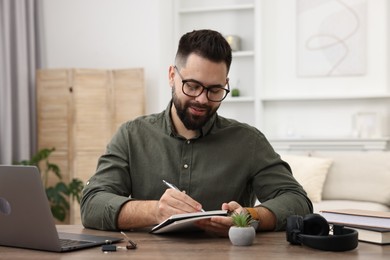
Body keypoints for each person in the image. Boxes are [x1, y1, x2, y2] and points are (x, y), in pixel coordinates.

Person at [80, 29, 312, 235]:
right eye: (192, 86)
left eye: (215, 90)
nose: (202, 99)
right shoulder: (132, 135)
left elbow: (298, 202)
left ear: (226, 83)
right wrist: (153, 211)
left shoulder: (248, 141)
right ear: (172, 75)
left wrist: (248, 216)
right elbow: (92, 204)